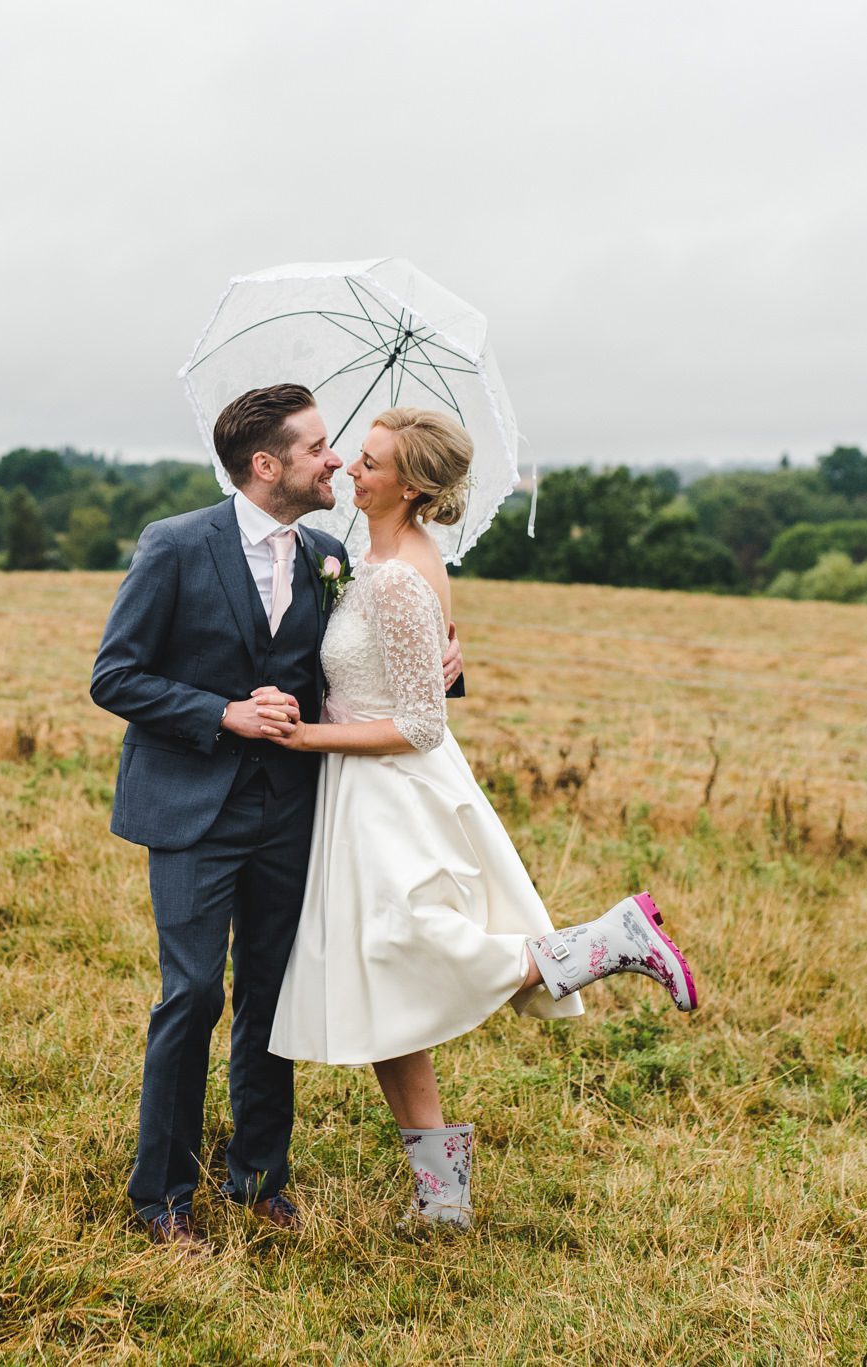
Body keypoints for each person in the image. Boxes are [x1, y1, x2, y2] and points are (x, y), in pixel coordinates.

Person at [263, 407, 700, 1230]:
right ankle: (443, 1198)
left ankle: (603, 944)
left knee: (407, 946)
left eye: (370, 463)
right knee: (382, 985)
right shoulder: (370, 557)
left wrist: (304, 734)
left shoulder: (397, 575)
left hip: (392, 791)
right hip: (357, 789)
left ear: (413, 485)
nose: (351, 472)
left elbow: (424, 722)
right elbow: (403, 675)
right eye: (354, 458)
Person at [89, 384, 463, 1254]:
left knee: (270, 995)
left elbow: (374, 666)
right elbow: (115, 676)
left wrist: (452, 649)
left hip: (294, 814)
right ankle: (164, 1197)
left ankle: (259, 1178)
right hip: (192, 808)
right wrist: (225, 712)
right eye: (318, 446)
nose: (334, 459)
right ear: (267, 465)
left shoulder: (333, 556)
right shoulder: (176, 546)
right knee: (192, 994)